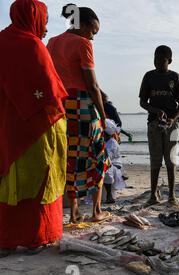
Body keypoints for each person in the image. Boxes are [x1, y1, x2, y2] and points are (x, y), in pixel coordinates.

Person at [0, 0, 68, 257]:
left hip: (6, 126)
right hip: (36, 129)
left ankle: (5, 239)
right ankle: (36, 238)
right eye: (45, 21)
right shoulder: (32, 45)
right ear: (33, 17)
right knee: (40, 178)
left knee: (9, 179)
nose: (46, 28)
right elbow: (50, 93)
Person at [47, 3, 111, 223]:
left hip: (61, 107)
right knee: (99, 156)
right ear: (81, 24)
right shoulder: (83, 44)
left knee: (71, 159)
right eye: (92, 31)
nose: (92, 38)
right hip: (82, 106)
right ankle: (96, 210)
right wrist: (103, 116)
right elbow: (91, 85)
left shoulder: (52, 43)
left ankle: (73, 211)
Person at [139, 45, 179, 206]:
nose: (157, 63)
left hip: (171, 125)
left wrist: (173, 119)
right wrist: (156, 111)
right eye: (155, 59)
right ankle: (153, 195)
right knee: (155, 160)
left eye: (161, 60)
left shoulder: (175, 78)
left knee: (170, 161)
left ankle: (172, 196)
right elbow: (142, 102)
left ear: (169, 61)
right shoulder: (148, 77)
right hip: (153, 123)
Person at [104, 119, 126, 204]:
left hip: (114, 165)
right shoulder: (106, 141)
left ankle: (109, 195)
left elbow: (107, 158)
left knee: (107, 171)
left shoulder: (111, 143)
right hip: (108, 162)